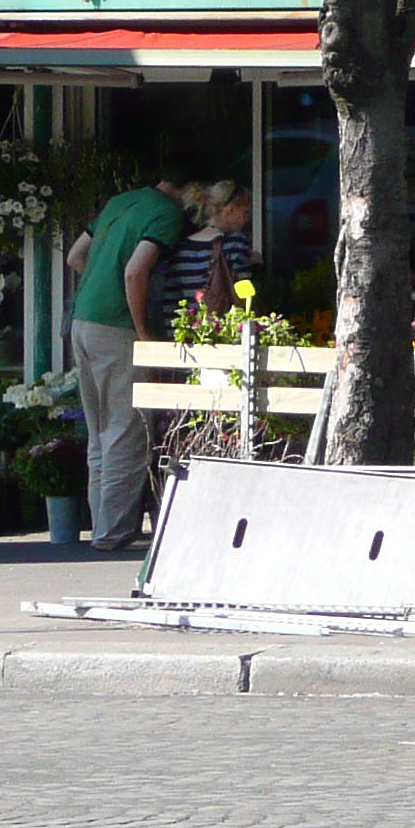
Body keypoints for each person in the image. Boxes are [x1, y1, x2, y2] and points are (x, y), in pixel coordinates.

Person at [65, 171, 190, 549]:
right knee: (126, 428)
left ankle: (101, 524)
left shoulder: (121, 202)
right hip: (117, 328)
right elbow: (136, 271)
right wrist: (142, 329)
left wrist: (99, 286)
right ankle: (113, 532)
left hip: (81, 321)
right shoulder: (167, 214)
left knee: (100, 430)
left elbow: (74, 256)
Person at [154, 181, 254, 329]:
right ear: (230, 210)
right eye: (245, 212)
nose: (247, 219)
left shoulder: (181, 249)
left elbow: (171, 302)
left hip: (192, 338)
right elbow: (246, 295)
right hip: (227, 336)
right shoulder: (235, 243)